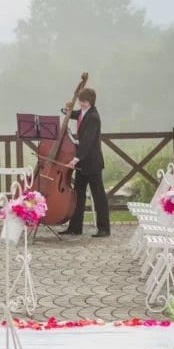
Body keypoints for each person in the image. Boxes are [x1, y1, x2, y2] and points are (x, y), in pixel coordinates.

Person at [59, 88, 110, 237]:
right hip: (83, 163)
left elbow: (87, 142)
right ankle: (75, 228)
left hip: (92, 162)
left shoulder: (93, 117)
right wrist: (66, 110)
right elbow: (75, 114)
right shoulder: (84, 112)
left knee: (98, 196)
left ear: (91, 101)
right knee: (78, 196)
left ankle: (104, 228)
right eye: (80, 101)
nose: (81, 103)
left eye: (84, 101)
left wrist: (75, 159)